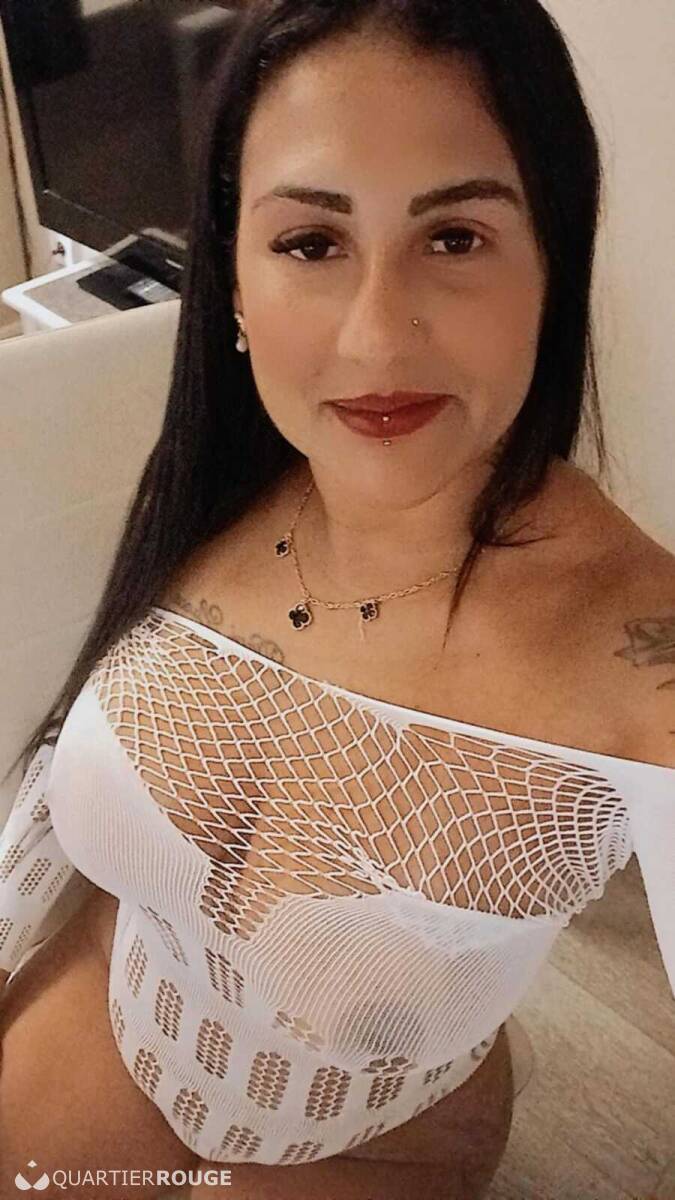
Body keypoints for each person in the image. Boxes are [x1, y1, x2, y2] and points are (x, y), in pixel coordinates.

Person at [1, 1, 674, 1198]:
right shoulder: (222, 475)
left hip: (374, 1136)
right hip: (105, 1007)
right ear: (234, 277)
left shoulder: (641, 655)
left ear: (553, 259)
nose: (375, 338)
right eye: (311, 243)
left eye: (454, 236)